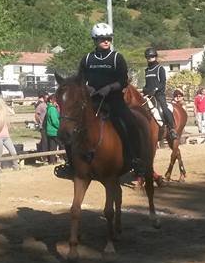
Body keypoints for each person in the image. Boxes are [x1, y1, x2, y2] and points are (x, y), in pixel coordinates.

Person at [57, 22, 145, 179]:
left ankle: (136, 159)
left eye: (109, 38)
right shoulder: (87, 59)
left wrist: (109, 88)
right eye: (102, 38)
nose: (106, 41)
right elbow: (79, 80)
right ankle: (71, 164)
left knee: (130, 122)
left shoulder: (117, 58)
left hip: (114, 100)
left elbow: (123, 81)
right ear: (95, 40)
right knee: (70, 128)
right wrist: (87, 88)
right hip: (93, 101)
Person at [142, 48, 177, 140]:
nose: (150, 58)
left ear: (155, 57)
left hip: (159, 95)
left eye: (152, 57)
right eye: (148, 57)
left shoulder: (160, 69)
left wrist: (156, 89)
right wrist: (145, 89)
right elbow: (147, 84)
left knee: (164, 109)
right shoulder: (146, 70)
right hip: (149, 95)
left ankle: (172, 128)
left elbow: (163, 83)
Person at [44, 94, 61, 164]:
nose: (56, 102)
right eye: (55, 100)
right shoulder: (52, 109)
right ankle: (65, 159)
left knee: (52, 147)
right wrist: (60, 127)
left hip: (50, 131)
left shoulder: (49, 108)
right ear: (51, 100)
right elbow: (55, 121)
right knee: (62, 145)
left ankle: (52, 161)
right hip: (55, 131)